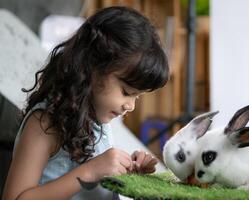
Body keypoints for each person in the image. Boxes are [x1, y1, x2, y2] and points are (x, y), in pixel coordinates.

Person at [3, 6, 169, 200]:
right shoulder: (45, 124)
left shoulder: (96, 121)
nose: (130, 106)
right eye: (126, 92)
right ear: (92, 68)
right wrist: (91, 171)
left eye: (137, 96)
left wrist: (127, 172)